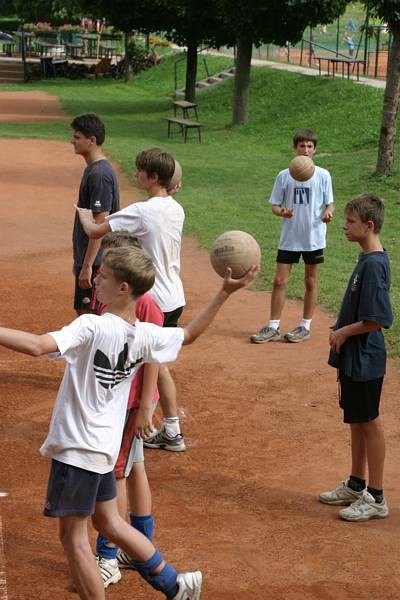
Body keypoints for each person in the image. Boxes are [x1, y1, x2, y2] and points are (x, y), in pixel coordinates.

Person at [0, 241, 258, 600]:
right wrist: (224, 293)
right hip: (105, 447)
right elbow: (188, 334)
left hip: (79, 448)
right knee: (109, 522)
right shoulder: (145, 334)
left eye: (103, 276)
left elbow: (37, 346)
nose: (96, 280)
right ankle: (175, 585)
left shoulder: (91, 326)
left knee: (73, 538)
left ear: (123, 288)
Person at [76, 147, 187, 452]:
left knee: (146, 365)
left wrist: (84, 215)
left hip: (150, 299)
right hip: (174, 296)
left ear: (152, 177)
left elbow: (95, 230)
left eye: (140, 171)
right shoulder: (176, 208)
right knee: (157, 364)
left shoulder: (141, 211)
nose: (135, 174)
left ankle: (143, 424)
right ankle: (171, 429)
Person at [94, 232, 163, 588]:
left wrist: (145, 407)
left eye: (107, 267)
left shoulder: (146, 305)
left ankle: (108, 556)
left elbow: (154, 358)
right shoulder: (110, 300)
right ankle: (139, 544)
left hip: (131, 402)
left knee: (116, 474)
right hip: (120, 400)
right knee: (134, 468)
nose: (99, 272)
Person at [320, 193, 393, 522]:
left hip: (365, 357)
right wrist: (342, 327)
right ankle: (355, 483)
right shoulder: (367, 258)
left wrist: (344, 332)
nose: (344, 226)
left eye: (351, 222)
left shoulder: (374, 263)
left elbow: (378, 319)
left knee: (369, 421)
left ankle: (376, 497)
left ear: (369, 225)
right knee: (356, 420)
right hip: (355, 355)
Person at [250, 128, 334, 344]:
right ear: (295, 148)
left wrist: (328, 213)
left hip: (313, 238)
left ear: (314, 150)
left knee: (310, 281)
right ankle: (273, 327)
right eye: (301, 145)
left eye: (309, 146)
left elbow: (330, 203)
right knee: (279, 281)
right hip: (289, 238)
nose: (305, 150)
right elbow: (275, 206)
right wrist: (283, 212)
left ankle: (305, 326)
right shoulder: (284, 175)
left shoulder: (323, 175)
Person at [71, 112, 120, 316]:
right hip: (93, 259)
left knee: (89, 314)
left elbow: (100, 222)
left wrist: (87, 265)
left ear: (92, 140)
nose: (72, 141)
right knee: (85, 312)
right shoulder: (93, 170)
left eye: (77, 137)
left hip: (98, 262)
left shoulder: (99, 174)